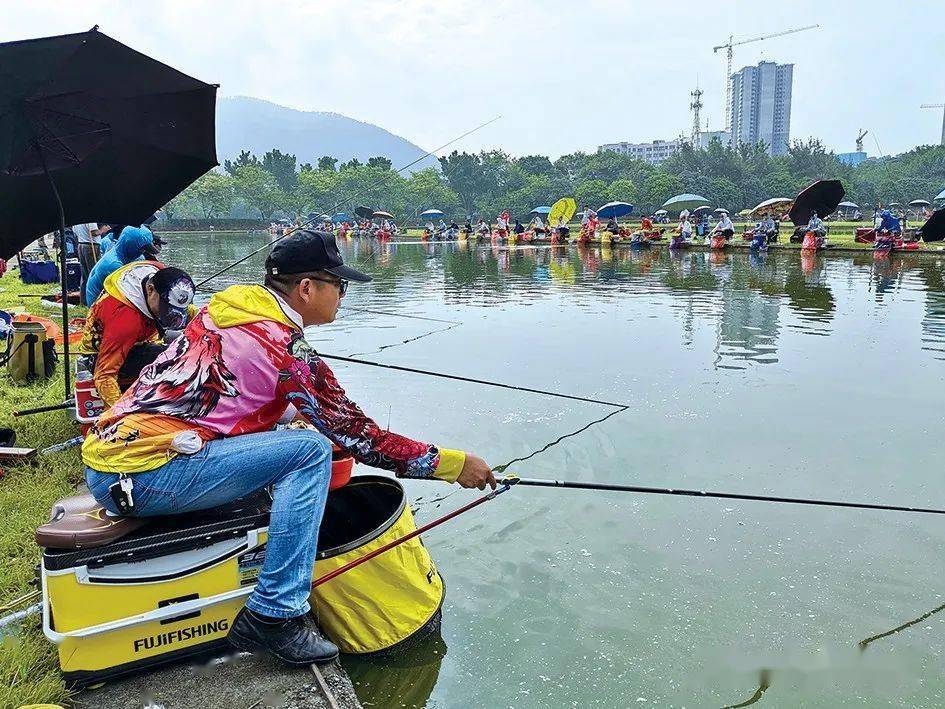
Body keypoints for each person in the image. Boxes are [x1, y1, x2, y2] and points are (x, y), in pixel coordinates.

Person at [82, 229, 495, 666]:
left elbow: (224, 396)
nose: (342, 295)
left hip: (113, 459)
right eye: (340, 285)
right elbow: (363, 440)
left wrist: (286, 413)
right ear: (306, 288)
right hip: (147, 474)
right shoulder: (285, 348)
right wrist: (453, 464)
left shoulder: (221, 312)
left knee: (297, 434)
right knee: (311, 450)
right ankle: (274, 614)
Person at [78, 263, 195, 407]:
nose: (170, 315)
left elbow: (185, 307)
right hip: (99, 356)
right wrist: (120, 412)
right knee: (175, 358)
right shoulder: (126, 321)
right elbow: (104, 375)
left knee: (184, 343)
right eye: (166, 309)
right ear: (150, 290)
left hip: (135, 340)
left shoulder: (156, 272)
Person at [85, 226, 162, 305]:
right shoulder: (113, 263)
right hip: (98, 304)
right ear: (129, 244)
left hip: (113, 296)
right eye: (141, 248)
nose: (142, 252)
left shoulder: (133, 256)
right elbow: (129, 293)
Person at [74, 223, 110, 304]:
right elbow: (94, 232)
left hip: (81, 244)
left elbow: (75, 232)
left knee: (85, 275)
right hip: (91, 246)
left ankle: (83, 301)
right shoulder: (90, 220)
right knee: (93, 274)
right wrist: (103, 230)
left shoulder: (78, 221)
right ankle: (94, 300)